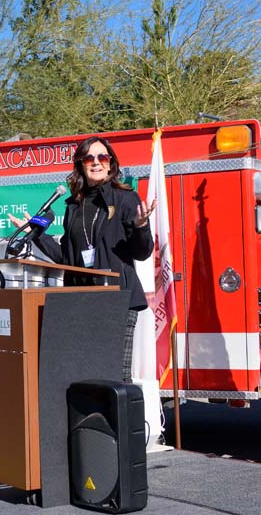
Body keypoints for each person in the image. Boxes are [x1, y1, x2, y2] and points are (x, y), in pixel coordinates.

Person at [11, 135, 154, 382]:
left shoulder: (124, 199)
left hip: (116, 300)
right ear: (81, 165)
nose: (96, 162)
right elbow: (65, 258)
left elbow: (142, 252)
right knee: (88, 376)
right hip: (81, 302)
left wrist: (140, 227)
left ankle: (122, 422)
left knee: (116, 378)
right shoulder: (73, 206)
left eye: (102, 157)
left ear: (110, 164)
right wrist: (34, 234)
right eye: (89, 158)